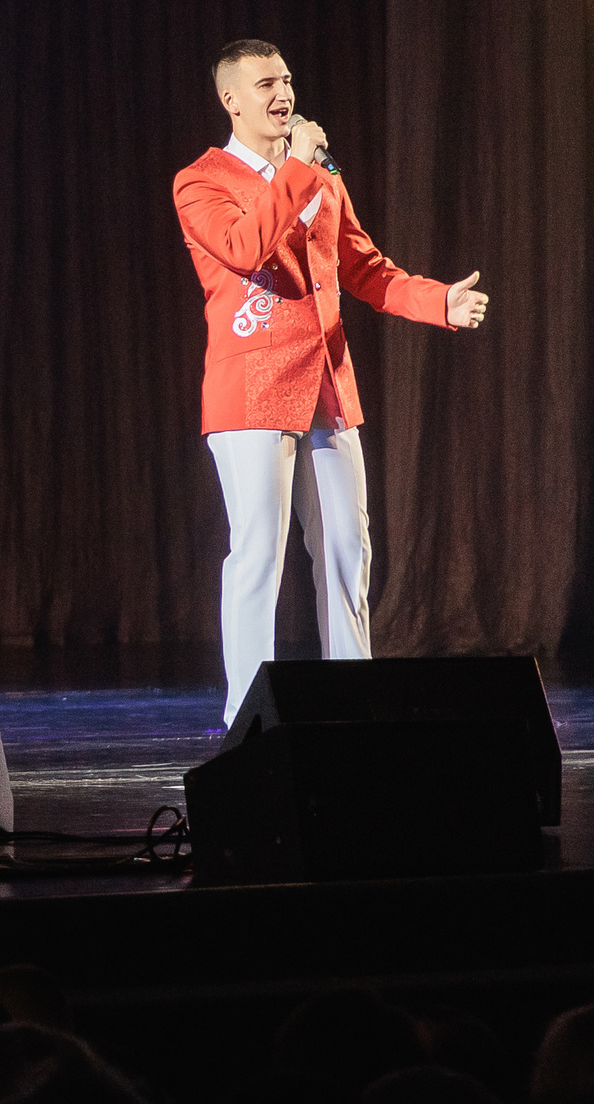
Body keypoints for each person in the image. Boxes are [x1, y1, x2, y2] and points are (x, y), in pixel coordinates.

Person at [174, 40, 490, 726]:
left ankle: (357, 709)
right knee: (259, 552)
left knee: (349, 548)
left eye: (286, 79)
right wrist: (295, 168)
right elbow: (245, 247)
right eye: (265, 84)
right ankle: (247, 721)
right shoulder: (201, 181)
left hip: (325, 386)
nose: (282, 93)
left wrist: (440, 302)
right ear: (231, 99)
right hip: (252, 391)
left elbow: (366, 269)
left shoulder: (317, 175)